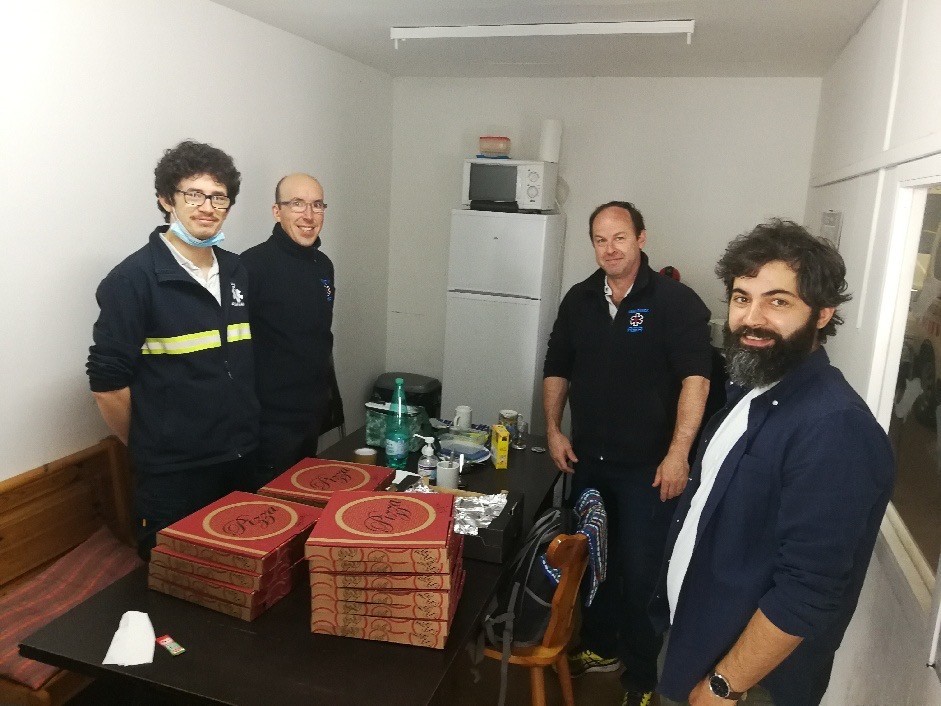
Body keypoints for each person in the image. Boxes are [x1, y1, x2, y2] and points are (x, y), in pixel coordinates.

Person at [652, 220, 895, 706]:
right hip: (697, 644)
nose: (752, 318)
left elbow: (807, 591)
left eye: (778, 302)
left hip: (745, 684)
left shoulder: (835, 428)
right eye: (742, 298)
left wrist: (722, 687)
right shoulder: (755, 389)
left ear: (823, 314)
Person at [543, 201, 712, 706]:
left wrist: (678, 454)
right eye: (600, 239)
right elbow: (557, 365)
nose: (610, 248)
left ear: (641, 238)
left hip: (648, 470)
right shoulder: (579, 300)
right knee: (593, 562)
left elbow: (696, 380)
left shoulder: (676, 302)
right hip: (588, 461)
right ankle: (600, 647)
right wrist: (553, 429)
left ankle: (640, 677)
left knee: (640, 575)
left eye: (620, 237)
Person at [87, 140, 260, 558]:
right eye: (194, 194)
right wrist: (152, 441)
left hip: (240, 460)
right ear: (167, 199)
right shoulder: (132, 280)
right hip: (174, 476)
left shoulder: (236, 270)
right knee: (176, 583)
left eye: (219, 197)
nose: (208, 207)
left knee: (242, 579)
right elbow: (107, 387)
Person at [240, 173, 335, 480]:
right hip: (269, 425)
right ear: (277, 211)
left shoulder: (323, 265)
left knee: (304, 497)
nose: (309, 215)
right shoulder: (250, 267)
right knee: (273, 504)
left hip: (311, 415)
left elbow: (317, 338)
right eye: (297, 204)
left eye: (317, 205)